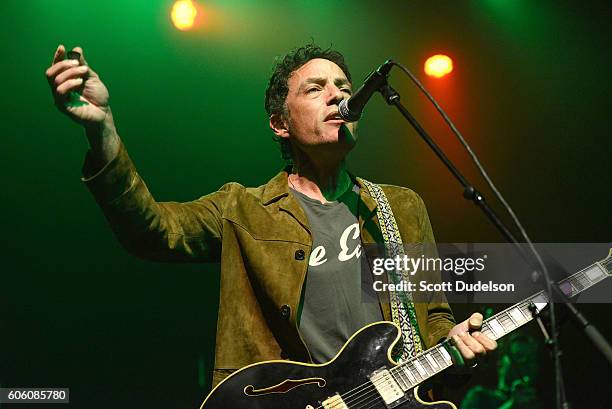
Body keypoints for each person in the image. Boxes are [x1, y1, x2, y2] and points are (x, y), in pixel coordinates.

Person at [45, 43, 496, 389]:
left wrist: (457, 341)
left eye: (343, 87)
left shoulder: (400, 208)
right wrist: (102, 128)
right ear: (280, 123)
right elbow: (152, 231)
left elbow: (432, 318)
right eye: (315, 89)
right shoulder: (243, 209)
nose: (338, 97)